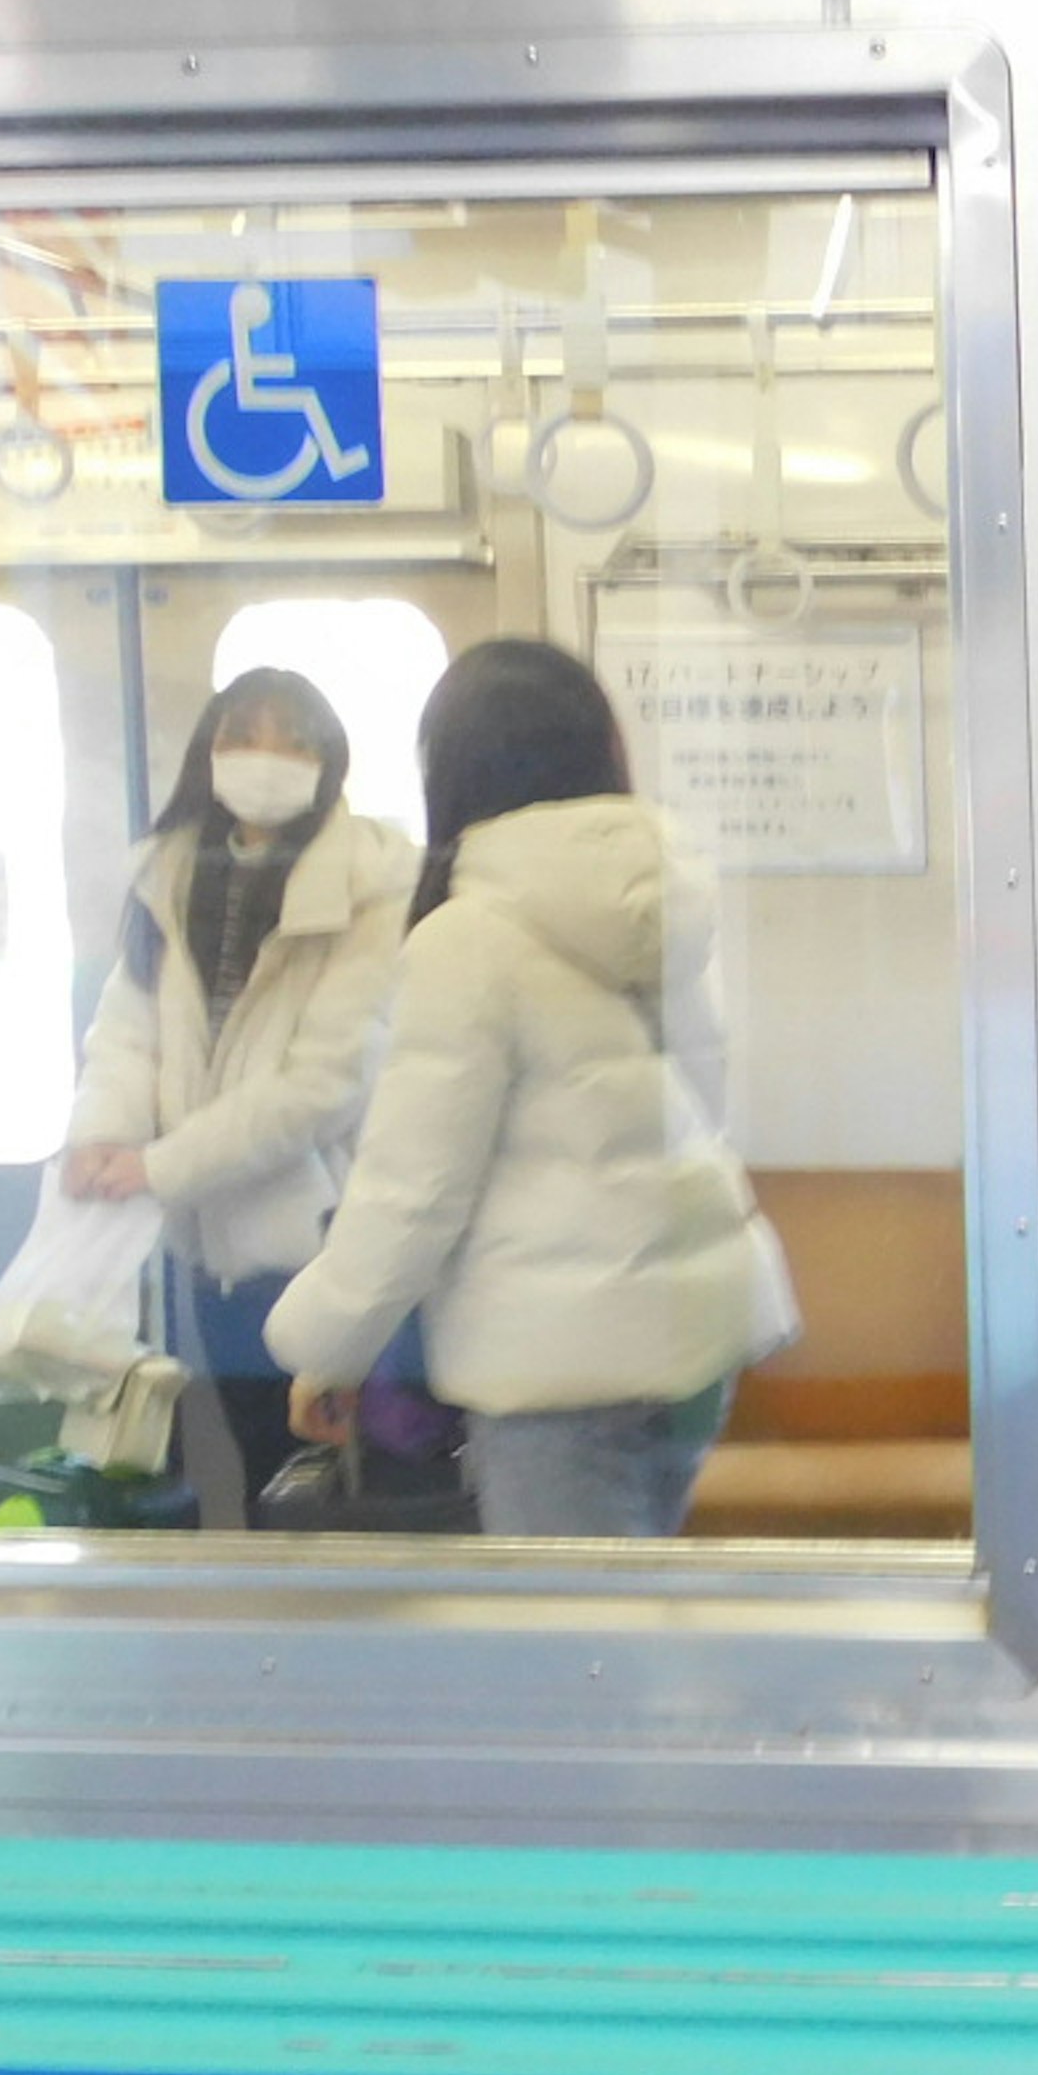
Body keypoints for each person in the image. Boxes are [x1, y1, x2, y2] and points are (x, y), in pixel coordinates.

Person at [264, 640, 794, 1539]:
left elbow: (413, 1191)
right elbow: (709, 1105)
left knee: (580, 1656)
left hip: (562, 1367)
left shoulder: (468, 939)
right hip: (699, 1343)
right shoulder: (656, 902)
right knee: (630, 1625)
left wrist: (326, 1350)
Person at [60, 668, 416, 1521]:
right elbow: (128, 1027)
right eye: (243, 736)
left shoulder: (375, 883)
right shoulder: (171, 873)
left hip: (321, 1244)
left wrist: (159, 1165)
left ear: (331, 761)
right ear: (208, 753)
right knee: (259, 1475)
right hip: (203, 1251)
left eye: (294, 740)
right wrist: (102, 1138)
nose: (267, 758)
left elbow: (323, 1085)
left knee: (335, 1486)